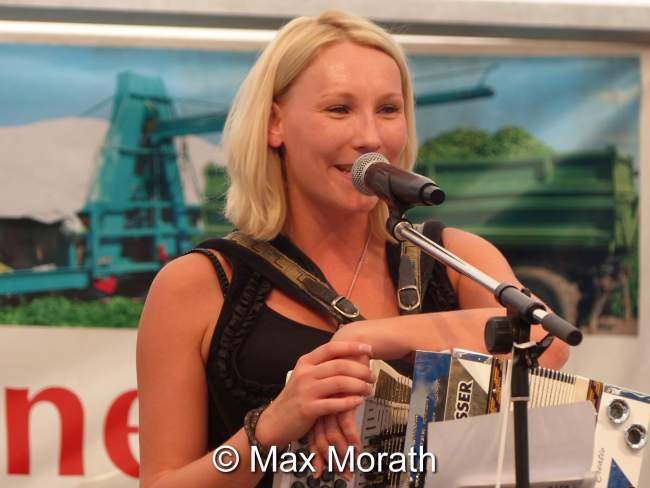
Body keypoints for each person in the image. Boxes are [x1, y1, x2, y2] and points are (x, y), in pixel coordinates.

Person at [136, 10, 569, 488]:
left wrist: (367, 338)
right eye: (339, 109)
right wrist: (272, 428)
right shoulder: (198, 283)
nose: (370, 138)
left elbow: (546, 346)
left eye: (388, 109)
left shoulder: (452, 257)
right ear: (275, 123)